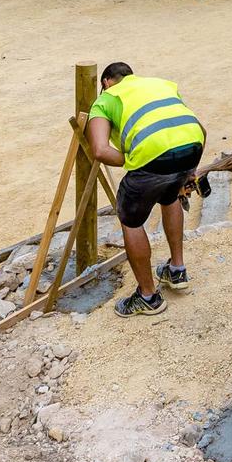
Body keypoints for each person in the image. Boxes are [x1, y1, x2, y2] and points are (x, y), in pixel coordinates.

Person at [84, 62, 206, 318]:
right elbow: (197, 128)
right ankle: (177, 269)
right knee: (170, 196)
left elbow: (99, 149)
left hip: (151, 156)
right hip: (194, 146)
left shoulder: (106, 98)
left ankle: (148, 296)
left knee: (131, 220)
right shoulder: (160, 83)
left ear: (106, 81)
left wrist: (135, 159)